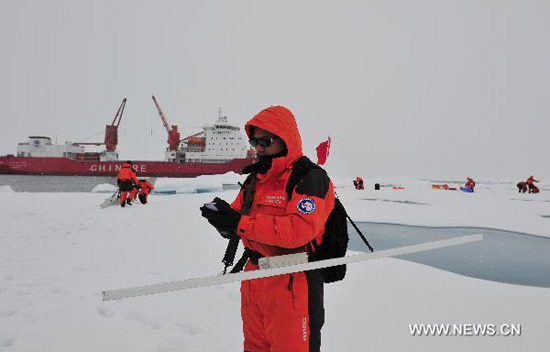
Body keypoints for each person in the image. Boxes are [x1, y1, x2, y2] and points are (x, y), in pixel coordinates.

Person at [200, 105, 335, 352]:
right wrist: (223, 220)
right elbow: (241, 222)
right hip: (254, 278)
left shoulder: (310, 178)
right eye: (254, 142)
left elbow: (298, 231)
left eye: (265, 141)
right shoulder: (256, 180)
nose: (259, 148)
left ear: (285, 140)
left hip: (292, 283)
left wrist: (239, 224)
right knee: (255, 347)